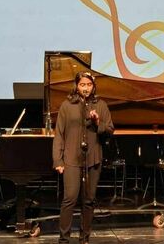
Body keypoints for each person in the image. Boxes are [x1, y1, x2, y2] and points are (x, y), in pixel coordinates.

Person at [53, 72, 114, 244]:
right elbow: (59, 134)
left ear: (93, 87)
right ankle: (64, 239)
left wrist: (98, 123)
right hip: (71, 158)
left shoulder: (101, 105)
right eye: (82, 85)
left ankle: (84, 238)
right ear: (76, 86)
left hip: (93, 159)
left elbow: (110, 130)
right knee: (70, 199)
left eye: (89, 85)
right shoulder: (67, 105)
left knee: (89, 201)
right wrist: (58, 160)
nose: (86, 88)